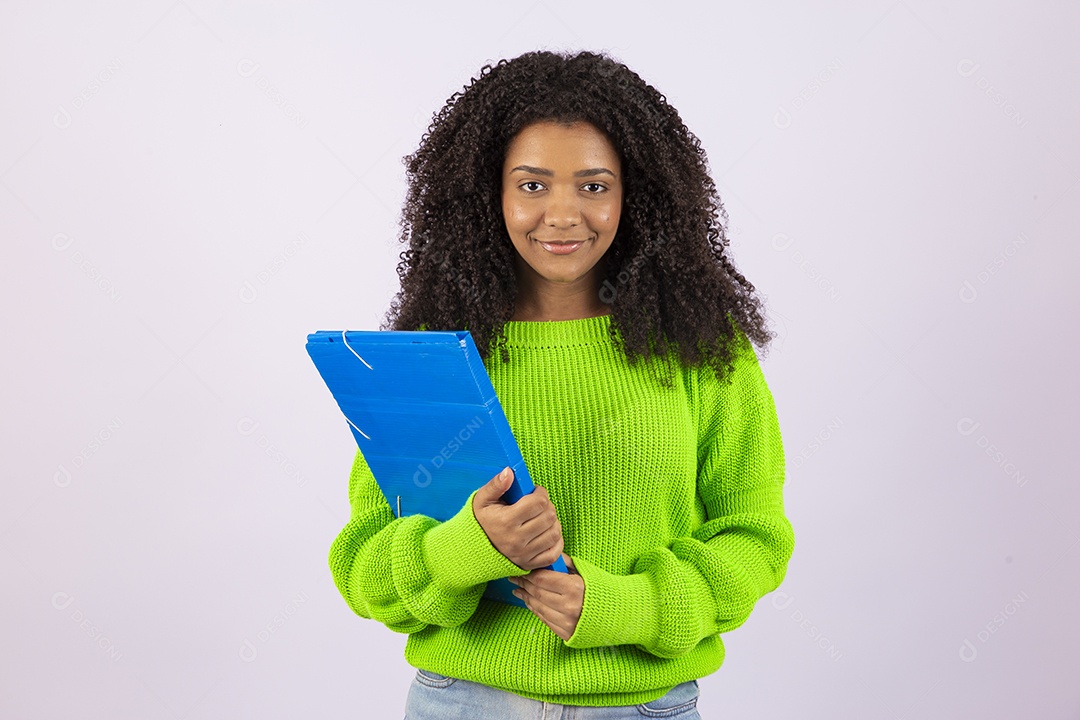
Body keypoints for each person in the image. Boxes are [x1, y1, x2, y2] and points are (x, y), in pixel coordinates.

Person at [327, 49, 795, 719]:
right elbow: (365, 565)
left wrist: (623, 607)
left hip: (641, 707)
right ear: (488, 192)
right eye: (533, 184)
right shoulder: (430, 352)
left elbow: (754, 539)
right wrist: (471, 549)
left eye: (595, 185)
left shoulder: (701, 348)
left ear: (639, 196)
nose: (564, 214)